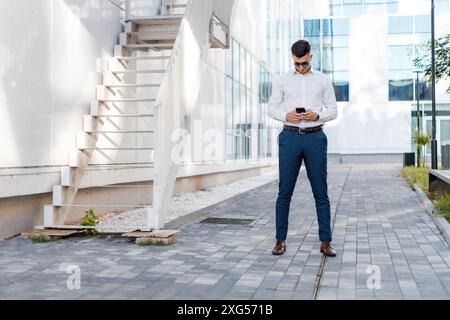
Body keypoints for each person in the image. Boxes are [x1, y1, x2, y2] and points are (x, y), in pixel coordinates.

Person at [267, 40, 338, 257]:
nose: (301, 68)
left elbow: (333, 109)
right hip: (289, 136)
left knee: (321, 192)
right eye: (297, 64)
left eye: (304, 63)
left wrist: (317, 115)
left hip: (315, 137)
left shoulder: (323, 80)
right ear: (293, 59)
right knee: (284, 192)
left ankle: (325, 242)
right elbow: (271, 107)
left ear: (311, 57)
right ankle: (280, 241)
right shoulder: (282, 81)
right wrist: (285, 115)